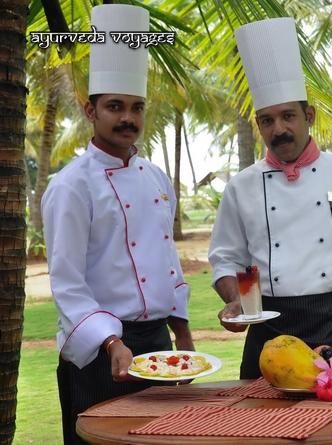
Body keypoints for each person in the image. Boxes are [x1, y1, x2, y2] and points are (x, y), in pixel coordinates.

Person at [208, 17, 332, 379]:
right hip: (268, 334)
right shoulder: (241, 187)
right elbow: (224, 260)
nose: (278, 129)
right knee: (257, 416)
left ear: (308, 116)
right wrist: (236, 300)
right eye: (267, 120)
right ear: (259, 125)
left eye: (288, 116)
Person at [41, 5, 193, 444]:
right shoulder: (71, 186)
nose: (128, 118)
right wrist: (112, 342)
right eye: (115, 107)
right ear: (91, 110)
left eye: (136, 108)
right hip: (98, 352)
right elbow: (68, 285)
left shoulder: (156, 177)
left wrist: (182, 334)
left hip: (157, 345)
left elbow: (167, 261)